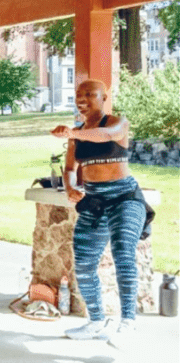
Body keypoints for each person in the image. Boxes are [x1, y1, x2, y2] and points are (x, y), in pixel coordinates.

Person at [52, 80, 147, 346]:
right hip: (94, 200)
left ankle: (128, 322)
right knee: (83, 262)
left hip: (124, 197)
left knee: (123, 251)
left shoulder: (117, 122)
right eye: (79, 94)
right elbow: (70, 168)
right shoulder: (77, 133)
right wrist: (71, 187)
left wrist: (72, 132)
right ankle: (96, 321)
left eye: (90, 94)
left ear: (103, 97)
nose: (83, 98)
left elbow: (105, 135)